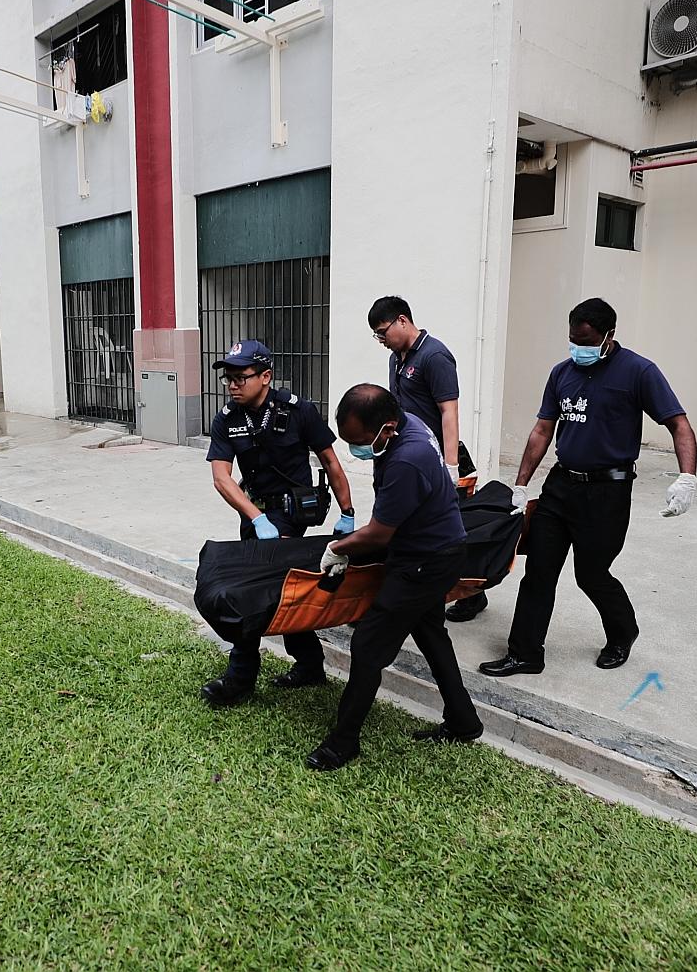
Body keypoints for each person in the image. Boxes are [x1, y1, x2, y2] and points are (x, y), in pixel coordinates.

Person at [479, 297, 697, 678]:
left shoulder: (638, 372)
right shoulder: (561, 373)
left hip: (607, 493)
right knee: (539, 571)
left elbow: (678, 424)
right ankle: (525, 653)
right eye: (573, 340)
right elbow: (542, 430)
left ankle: (623, 632)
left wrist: (687, 477)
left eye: (586, 341)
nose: (578, 348)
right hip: (560, 486)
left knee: (592, 575)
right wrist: (521, 484)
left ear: (609, 335)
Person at [305, 384, 482, 772]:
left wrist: (338, 548)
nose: (356, 450)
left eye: (360, 442)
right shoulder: (407, 423)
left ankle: (342, 742)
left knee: (369, 645)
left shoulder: (407, 459)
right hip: (436, 549)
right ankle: (464, 721)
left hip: (425, 562)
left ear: (387, 428)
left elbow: (380, 534)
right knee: (432, 635)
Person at [201, 340, 356, 707]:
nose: (232, 385)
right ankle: (310, 663)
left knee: (255, 590)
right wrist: (256, 518)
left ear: (266, 376)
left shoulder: (298, 410)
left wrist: (347, 511)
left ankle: (240, 677)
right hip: (254, 513)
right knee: (285, 590)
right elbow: (221, 478)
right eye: (228, 378)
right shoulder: (227, 418)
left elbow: (330, 461)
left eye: (240, 377)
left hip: (290, 513)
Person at [368, 296, 485, 623]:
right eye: (377, 335)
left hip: (436, 458)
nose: (381, 340)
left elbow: (449, 412)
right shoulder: (396, 358)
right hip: (408, 454)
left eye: (383, 332)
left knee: (446, 531)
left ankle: (473, 594)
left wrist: (451, 467)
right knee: (408, 524)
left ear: (402, 320)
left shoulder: (435, 356)